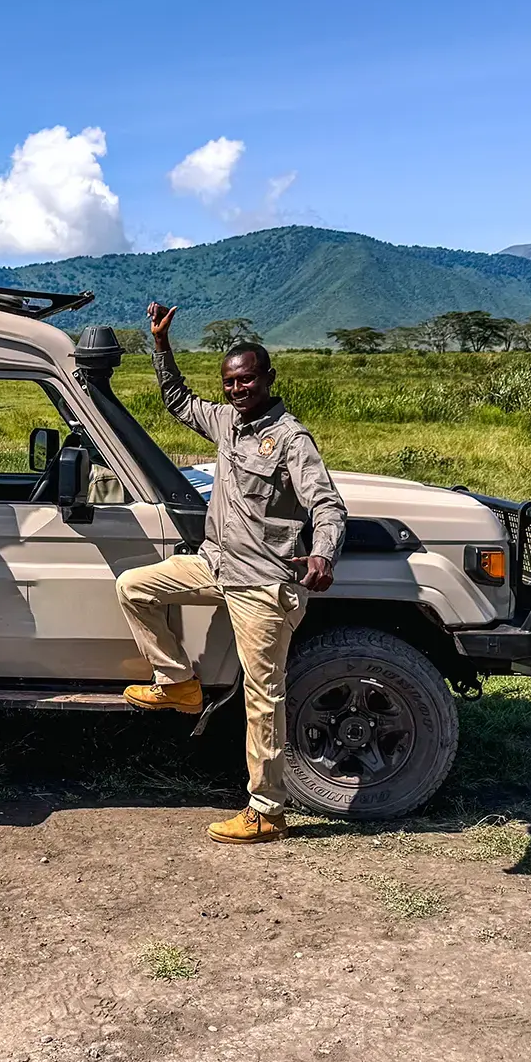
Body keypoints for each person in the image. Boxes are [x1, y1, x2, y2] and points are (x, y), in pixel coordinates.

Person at [115, 303, 346, 845]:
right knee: (134, 587)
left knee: (263, 697)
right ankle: (178, 683)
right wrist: (161, 344)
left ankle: (266, 810)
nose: (236, 390)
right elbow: (177, 402)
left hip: (264, 584)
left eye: (245, 380)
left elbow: (328, 505)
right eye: (229, 382)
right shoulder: (226, 421)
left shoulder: (291, 440)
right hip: (216, 562)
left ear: (268, 378)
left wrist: (324, 554)